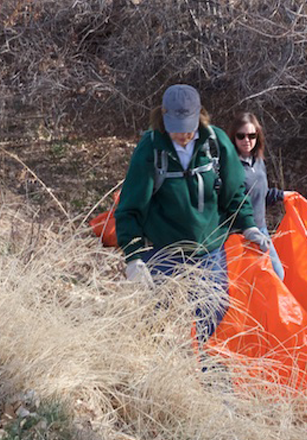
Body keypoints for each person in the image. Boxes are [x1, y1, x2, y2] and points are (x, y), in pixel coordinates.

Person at [114, 84, 262, 346]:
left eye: (188, 127)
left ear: (199, 116)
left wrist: (249, 225)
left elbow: (234, 192)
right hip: (164, 253)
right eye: (176, 127)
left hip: (209, 254)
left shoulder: (215, 143)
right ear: (163, 117)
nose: (183, 134)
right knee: (158, 320)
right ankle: (160, 365)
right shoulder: (151, 149)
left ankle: (203, 364)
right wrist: (133, 256)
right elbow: (129, 208)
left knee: (213, 315)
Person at [230, 111, 286, 279]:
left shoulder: (258, 161)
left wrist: (281, 195)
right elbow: (232, 201)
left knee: (276, 275)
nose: (246, 140)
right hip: (240, 234)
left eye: (251, 135)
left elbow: (260, 195)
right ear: (234, 138)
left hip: (261, 229)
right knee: (261, 278)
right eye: (241, 136)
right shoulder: (230, 166)